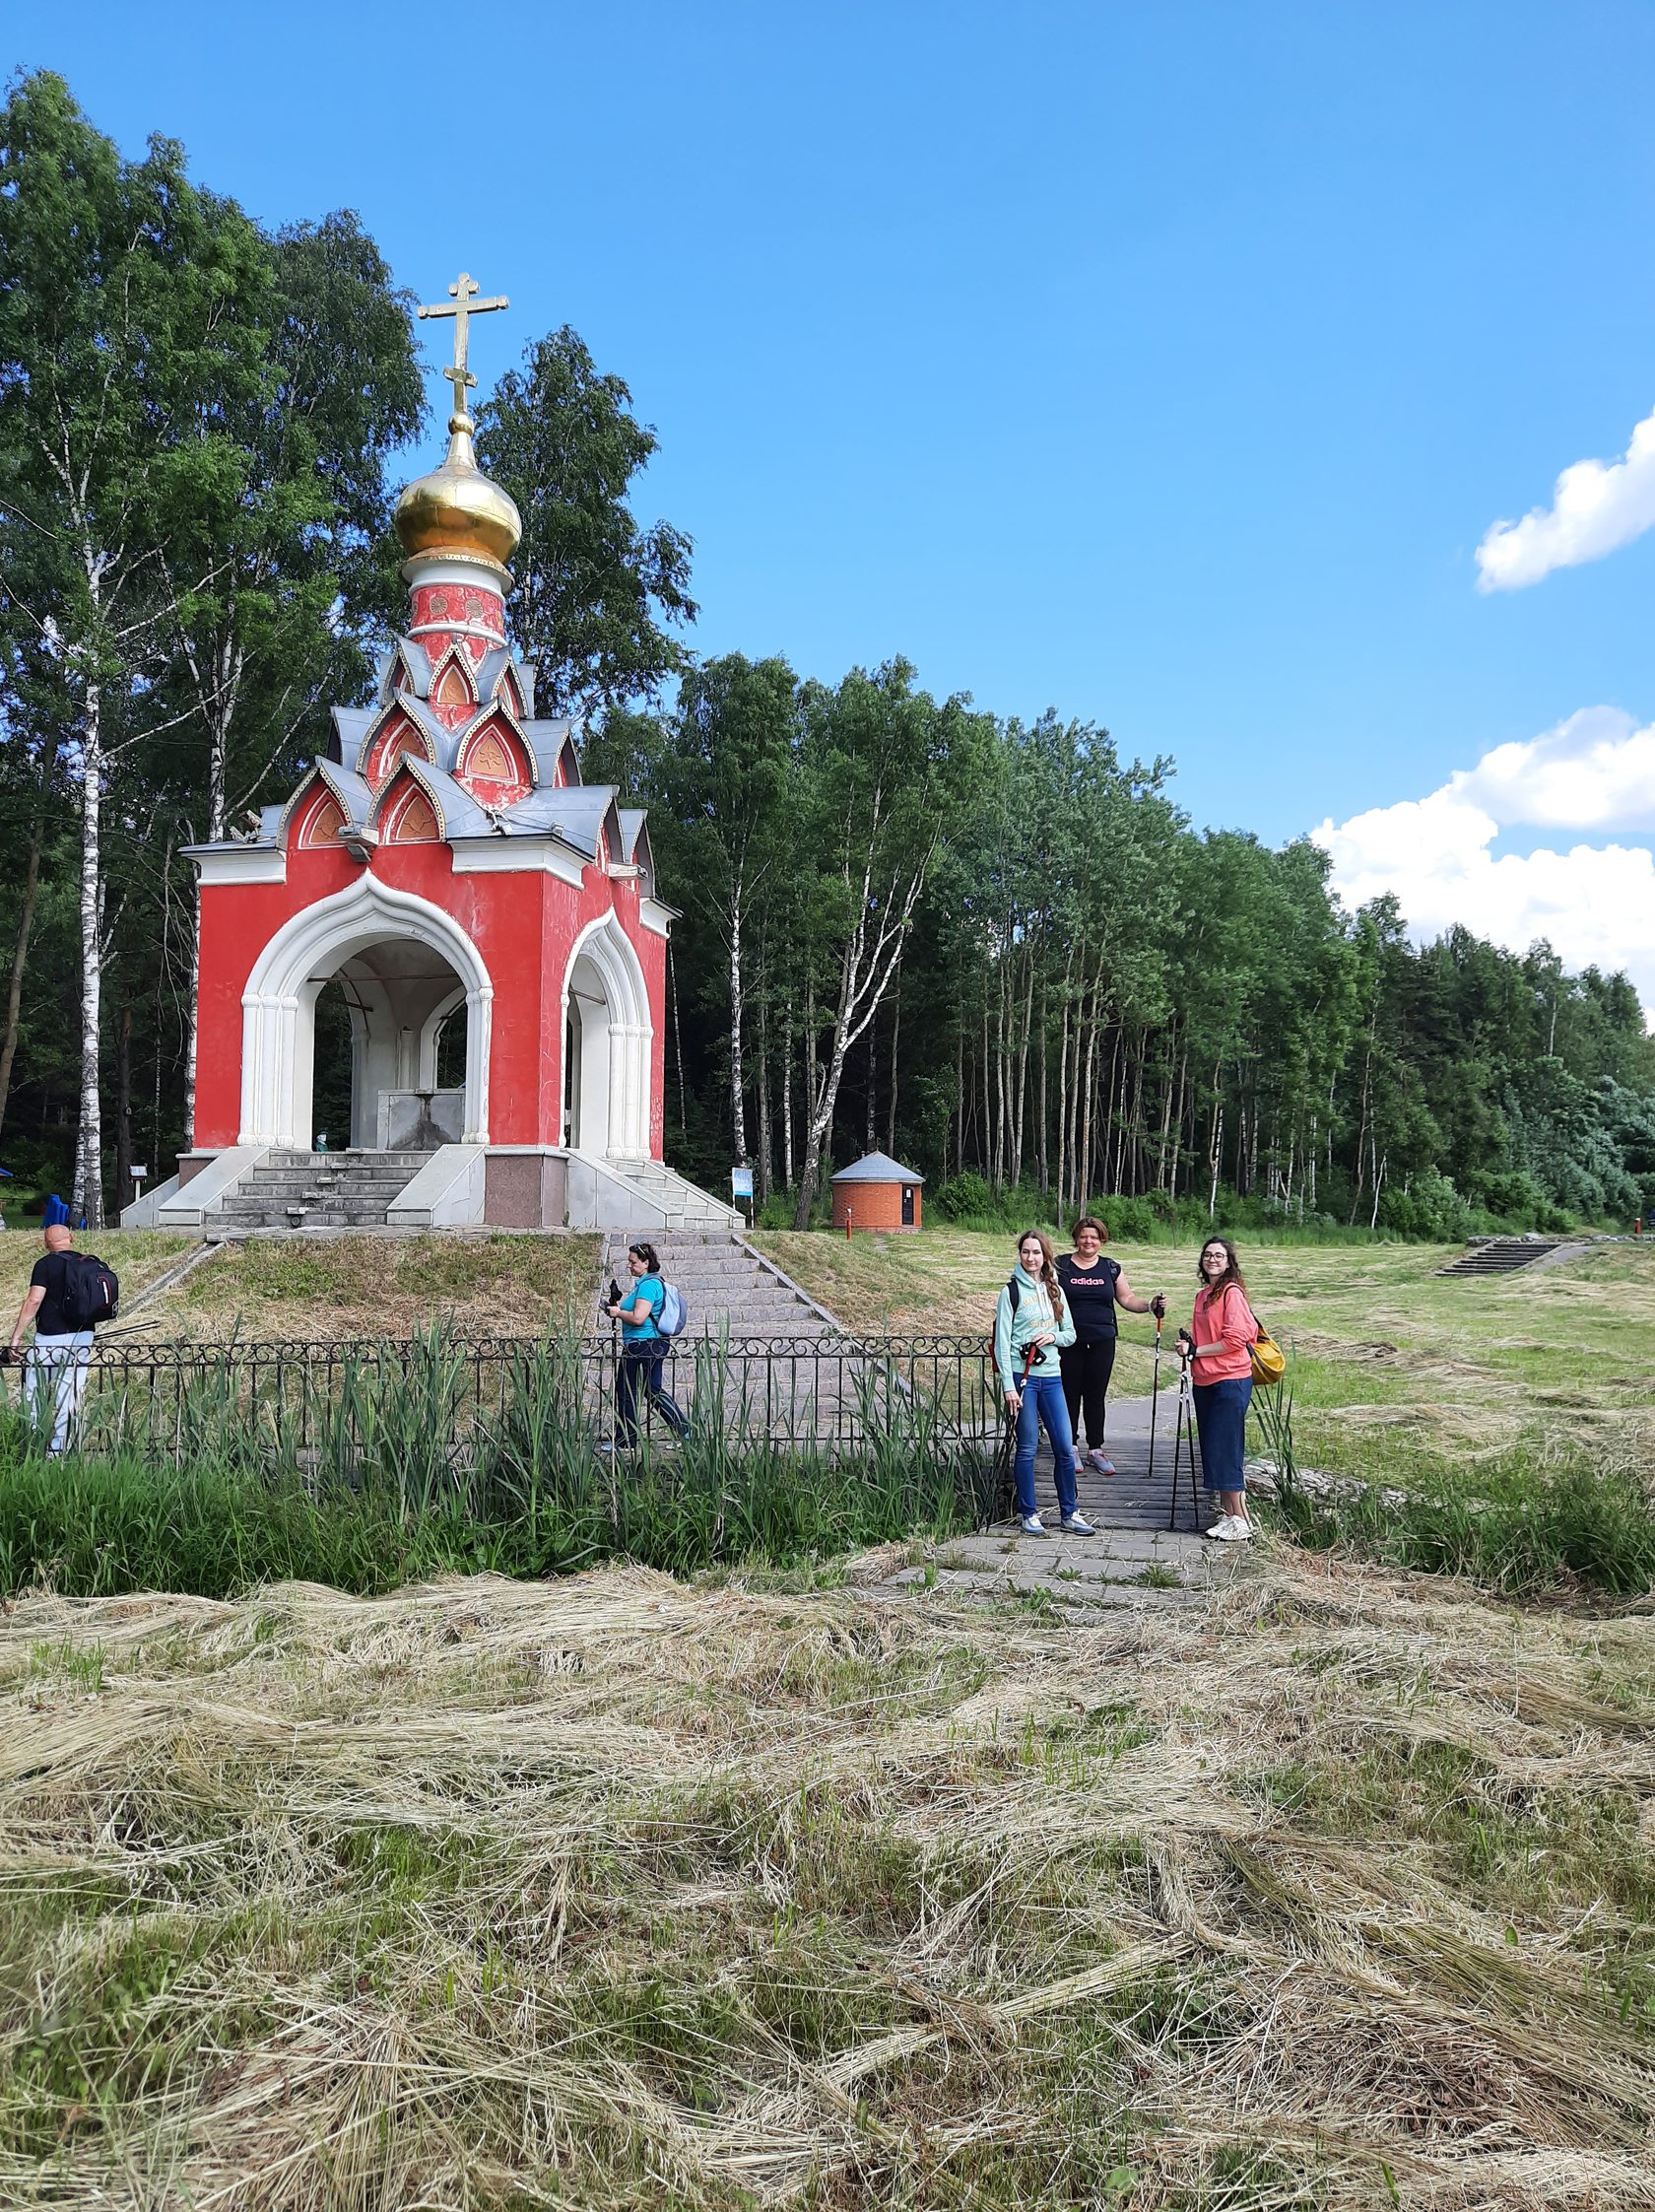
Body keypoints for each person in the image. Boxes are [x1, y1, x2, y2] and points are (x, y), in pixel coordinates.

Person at [993, 1230, 1094, 1538]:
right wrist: (1008, 1387)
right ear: (1020, 1254)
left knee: (1064, 1446)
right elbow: (1002, 1342)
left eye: (1036, 1252)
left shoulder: (1056, 1291)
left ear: (1045, 1256)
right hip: (1022, 1378)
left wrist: (1053, 1336)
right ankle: (1029, 1513)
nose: (1030, 1258)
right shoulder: (1010, 1292)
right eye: (1025, 1251)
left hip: (1051, 1377)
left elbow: (1071, 1334)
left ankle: (1070, 1512)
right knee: (1027, 1447)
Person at [1055, 1216, 1164, 1476]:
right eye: (1083, 1236)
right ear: (1076, 1238)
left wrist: (1149, 1306)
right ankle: (1070, 1448)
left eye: (1094, 1237)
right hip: (1069, 1340)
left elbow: (1126, 1298)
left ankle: (1095, 1449)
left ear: (1102, 1241)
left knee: (1095, 1396)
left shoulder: (1110, 1268)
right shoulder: (1060, 1265)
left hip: (1103, 1340)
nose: (1088, 1241)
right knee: (1069, 1395)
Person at [1179, 1234, 1257, 1542]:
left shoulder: (1231, 1293)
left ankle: (1240, 1519)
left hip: (1230, 1378)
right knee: (1214, 1449)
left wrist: (1196, 1351)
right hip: (1205, 1379)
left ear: (1229, 1262)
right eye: (1208, 1255)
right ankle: (1229, 1516)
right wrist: (1191, 1348)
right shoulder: (1204, 1295)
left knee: (1227, 1448)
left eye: (1219, 1256)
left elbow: (1235, 1339)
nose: (1212, 1259)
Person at [7, 1224, 94, 1455]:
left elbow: (34, 1301)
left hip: (50, 1336)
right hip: (83, 1336)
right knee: (71, 1392)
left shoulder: (45, 1265)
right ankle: (60, 1451)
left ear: (46, 1244)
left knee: (35, 1389)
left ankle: (32, 1443)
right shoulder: (87, 1263)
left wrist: (16, 1338)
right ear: (71, 1238)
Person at [605, 1240, 689, 1447]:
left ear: (646, 1263)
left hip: (644, 1344)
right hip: (646, 1344)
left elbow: (638, 1318)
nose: (629, 1265)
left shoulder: (649, 1285)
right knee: (647, 1390)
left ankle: (627, 1440)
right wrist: (615, 1303)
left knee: (633, 1391)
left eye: (633, 1262)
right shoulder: (645, 1284)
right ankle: (684, 1432)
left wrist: (617, 1313)